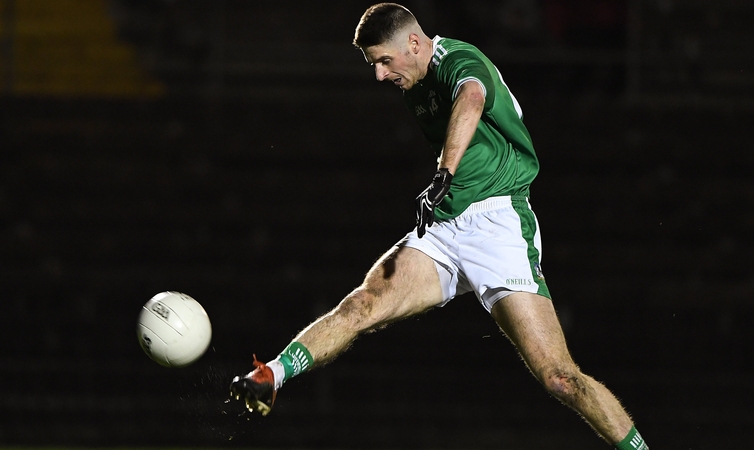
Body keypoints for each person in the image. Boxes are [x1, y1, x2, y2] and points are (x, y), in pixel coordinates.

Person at [230, 3, 648, 449]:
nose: (379, 75)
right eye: (373, 64)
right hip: (446, 226)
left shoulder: (459, 60)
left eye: (384, 61)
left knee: (560, 378)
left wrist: (443, 172)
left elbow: (471, 98)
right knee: (362, 305)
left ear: (414, 43)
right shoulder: (413, 82)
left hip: (498, 224)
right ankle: (270, 375)